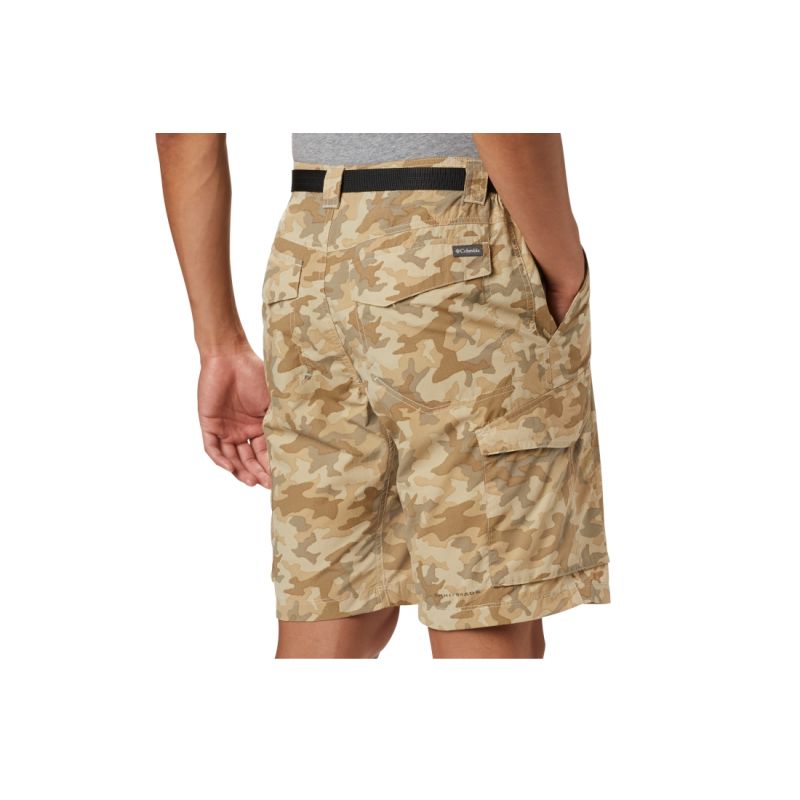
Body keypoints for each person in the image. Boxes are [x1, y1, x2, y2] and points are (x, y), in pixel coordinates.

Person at [156, 133, 610, 659]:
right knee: (485, 608)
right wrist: (564, 266)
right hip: (453, 245)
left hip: (307, 254)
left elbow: (183, 134)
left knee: (333, 610)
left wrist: (218, 345)